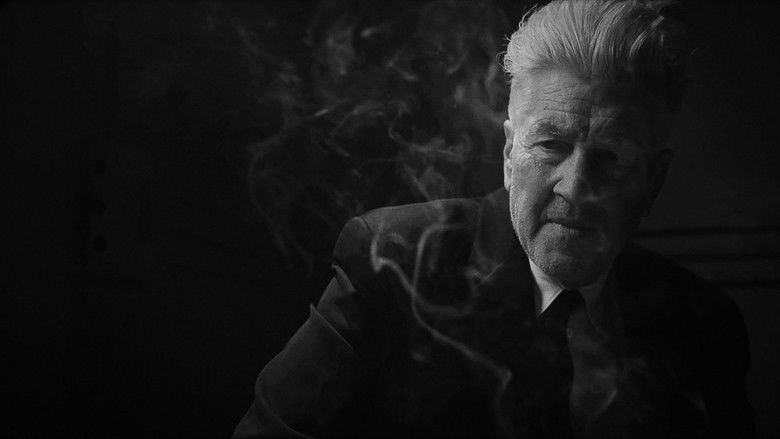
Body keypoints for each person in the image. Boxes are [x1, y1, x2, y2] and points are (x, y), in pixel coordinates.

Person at [234, 1, 754, 437]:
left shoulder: (702, 325)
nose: (575, 188)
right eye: (550, 145)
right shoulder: (390, 260)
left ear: (654, 181)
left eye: (612, 157)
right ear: (509, 154)